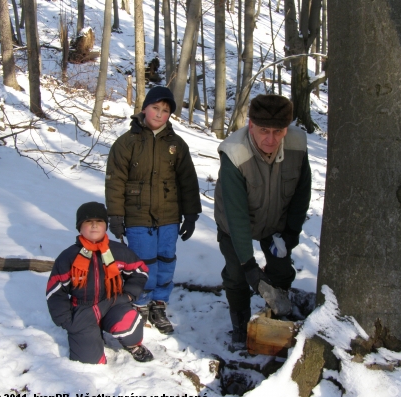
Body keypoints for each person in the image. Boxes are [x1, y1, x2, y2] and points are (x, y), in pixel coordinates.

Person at [214, 94, 312, 351]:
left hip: (275, 220)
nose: (270, 139)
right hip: (234, 223)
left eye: (278, 131)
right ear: (251, 125)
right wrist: (248, 263)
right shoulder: (234, 152)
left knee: (281, 270)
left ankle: (276, 313)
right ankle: (240, 322)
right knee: (237, 275)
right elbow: (236, 214)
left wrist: (292, 232)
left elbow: (302, 192)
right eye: (264, 131)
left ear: (286, 129)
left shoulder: (297, 144)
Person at [105, 86, 202, 334]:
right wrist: (115, 215)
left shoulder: (177, 145)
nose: (159, 114)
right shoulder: (126, 143)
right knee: (143, 262)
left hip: (169, 216)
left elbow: (187, 181)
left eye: (165, 110)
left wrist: (191, 214)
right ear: (145, 108)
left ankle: (159, 303)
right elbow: (115, 181)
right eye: (155, 108)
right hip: (137, 216)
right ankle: (140, 303)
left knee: (166, 259)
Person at [46, 201, 153, 363]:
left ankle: (133, 345)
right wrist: (66, 320)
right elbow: (55, 291)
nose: (94, 226)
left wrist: (129, 295)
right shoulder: (68, 257)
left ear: (105, 226)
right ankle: (92, 336)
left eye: (99, 221)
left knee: (129, 326)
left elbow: (140, 271)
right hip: (83, 310)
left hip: (113, 303)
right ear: (80, 227)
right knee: (89, 362)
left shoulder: (118, 251)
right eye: (88, 222)